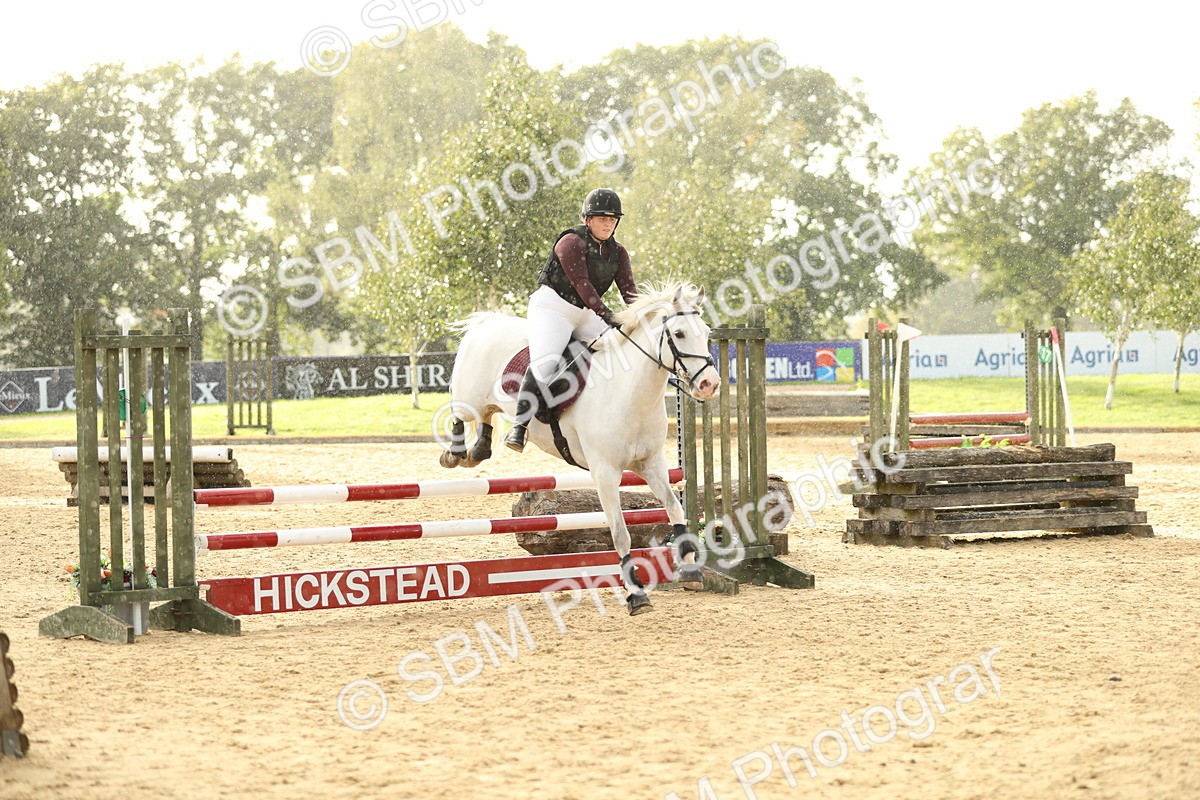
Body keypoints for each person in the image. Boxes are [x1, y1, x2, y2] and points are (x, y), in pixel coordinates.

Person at [504, 187, 638, 452]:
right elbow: (581, 283)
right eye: (602, 218)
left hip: (586, 312)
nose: (608, 224)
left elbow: (629, 291)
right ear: (588, 220)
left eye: (612, 220)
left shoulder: (618, 253)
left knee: (617, 348)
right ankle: (519, 426)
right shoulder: (570, 242)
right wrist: (606, 314)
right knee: (545, 363)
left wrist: (643, 316)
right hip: (553, 307)